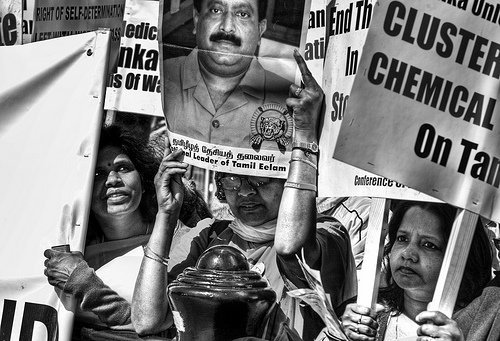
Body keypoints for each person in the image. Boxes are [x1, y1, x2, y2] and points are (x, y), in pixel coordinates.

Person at [131, 51, 357, 340]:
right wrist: (166, 215)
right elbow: (146, 321)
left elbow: (290, 250)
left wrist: (304, 137)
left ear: (287, 179)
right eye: (234, 181)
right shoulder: (209, 236)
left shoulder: (326, 234)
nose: (247, 192)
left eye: (261, 181)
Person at [43, 125, 211, 337]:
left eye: (123, 168)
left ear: (143, 180)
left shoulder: (184, 243)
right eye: (98, 173)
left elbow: (165, 326)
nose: (112, 180)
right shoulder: (74, 248)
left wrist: (87, 286)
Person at [340, 201, 492, 341]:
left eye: (429, 245)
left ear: (463, 258)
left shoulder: (484, 326)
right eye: (402, 239)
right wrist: (338, 332)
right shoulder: (367, 312)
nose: (408, 254)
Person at [163, 0, 294, 150]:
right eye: (216, 11)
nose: (227, 27)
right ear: (197, 20)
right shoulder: (161, 75)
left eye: (242, 14)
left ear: (260, 30)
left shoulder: (290, 102)